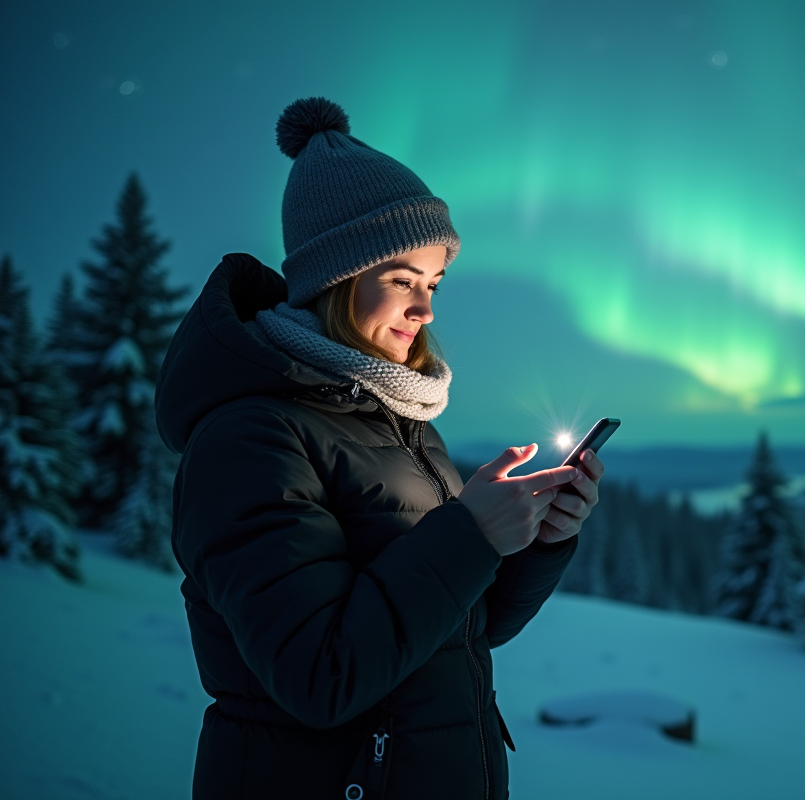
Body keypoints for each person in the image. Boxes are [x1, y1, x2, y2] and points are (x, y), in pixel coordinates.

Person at [155, 97, 604, 800]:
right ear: (335, 278)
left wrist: (539, 539)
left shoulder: (401, 422)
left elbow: (464, 631)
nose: (425, 309)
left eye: (433, 283)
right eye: (402, 281)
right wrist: (469, 532)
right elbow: (319, 677)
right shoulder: (250, 438)